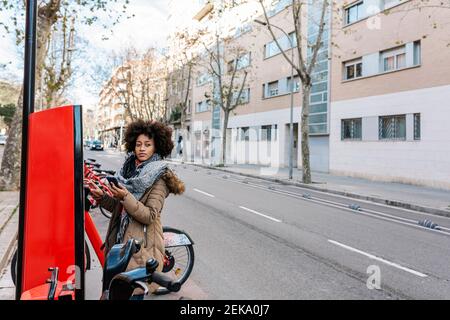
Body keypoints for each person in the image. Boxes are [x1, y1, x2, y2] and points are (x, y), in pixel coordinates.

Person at [86, 119, 185, 299]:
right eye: (138, 144)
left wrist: (125, 196)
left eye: (147, 144)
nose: (142, 148)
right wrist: (102, 197)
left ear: (157, 147)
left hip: (140, 250)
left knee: (131, 294)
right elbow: (120, 209)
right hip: (119, 246)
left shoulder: (160, 178)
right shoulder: (129, 171)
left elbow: (149, 215)